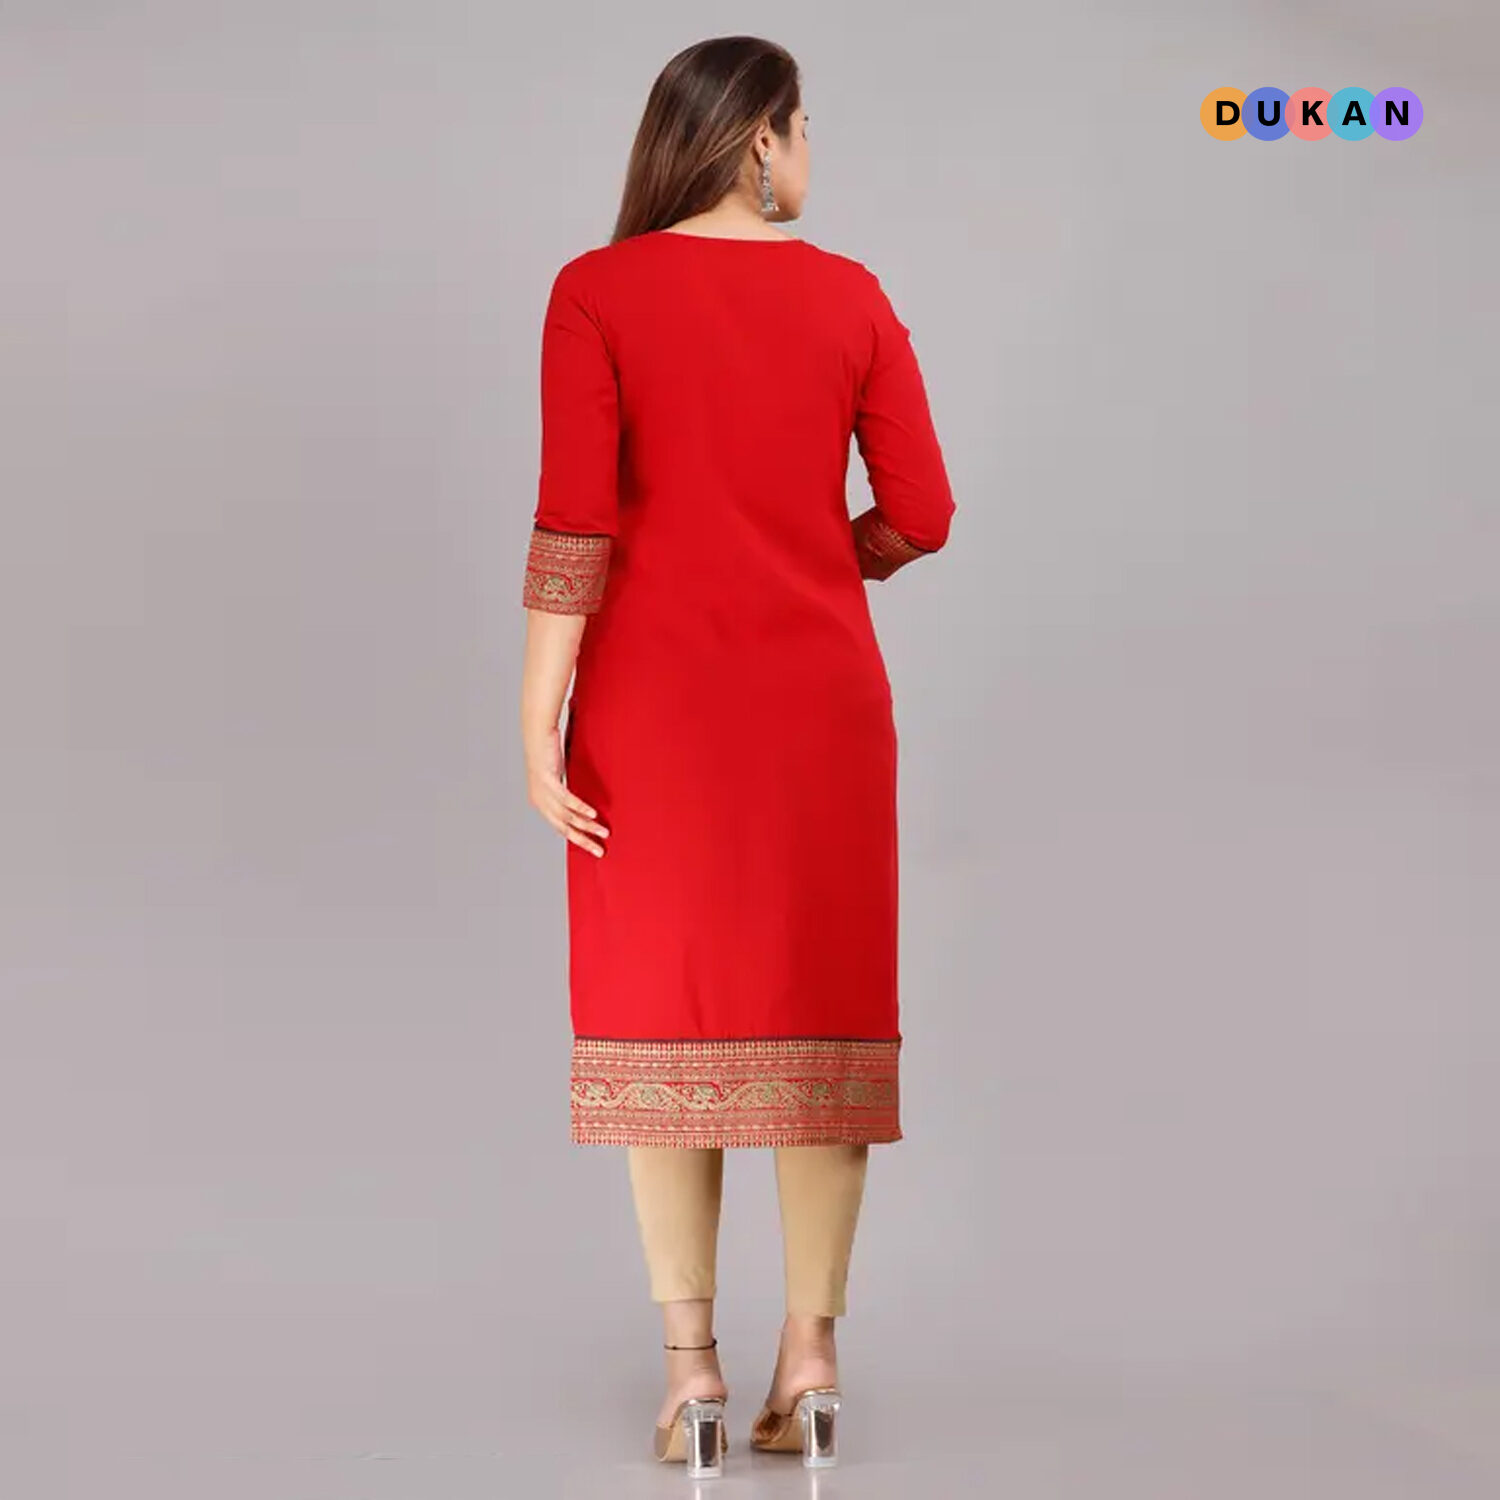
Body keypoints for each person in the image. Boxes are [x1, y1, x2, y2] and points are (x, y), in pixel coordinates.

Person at [518, 34, 956, 1476]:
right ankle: (812, 1364)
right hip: (819, 710)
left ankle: (692, 1377)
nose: (812, 149)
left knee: (669, 1012)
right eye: (804, 124)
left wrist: (538, 712)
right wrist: (820, 564)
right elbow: (924, 511)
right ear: (760, 138)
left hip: (652, 709)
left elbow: (576, 523)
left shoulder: (596, 292)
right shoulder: (850, 296)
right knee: (818, 1011)